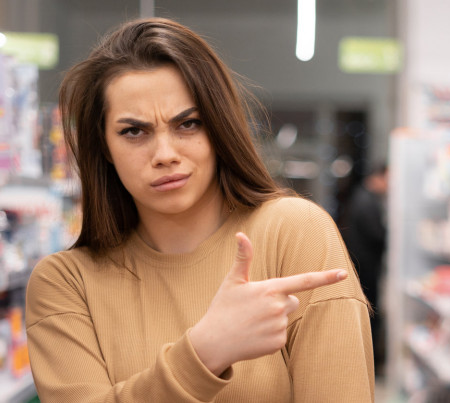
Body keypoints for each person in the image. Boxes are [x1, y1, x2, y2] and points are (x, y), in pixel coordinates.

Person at [25, 18, 374, 402]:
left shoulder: (294, 233)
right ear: (105, 148)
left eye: (188, 124)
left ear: (219, 127)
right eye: (133, 132)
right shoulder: (64, 284)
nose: (164, 155)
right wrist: (206, 352)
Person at [339, 164, 387, 371]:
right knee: (370, 314)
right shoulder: (366, 200)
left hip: (363, 265)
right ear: (378, 177)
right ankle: (370, 364)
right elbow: (377, 235)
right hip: (365, 268)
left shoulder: (361, 197)